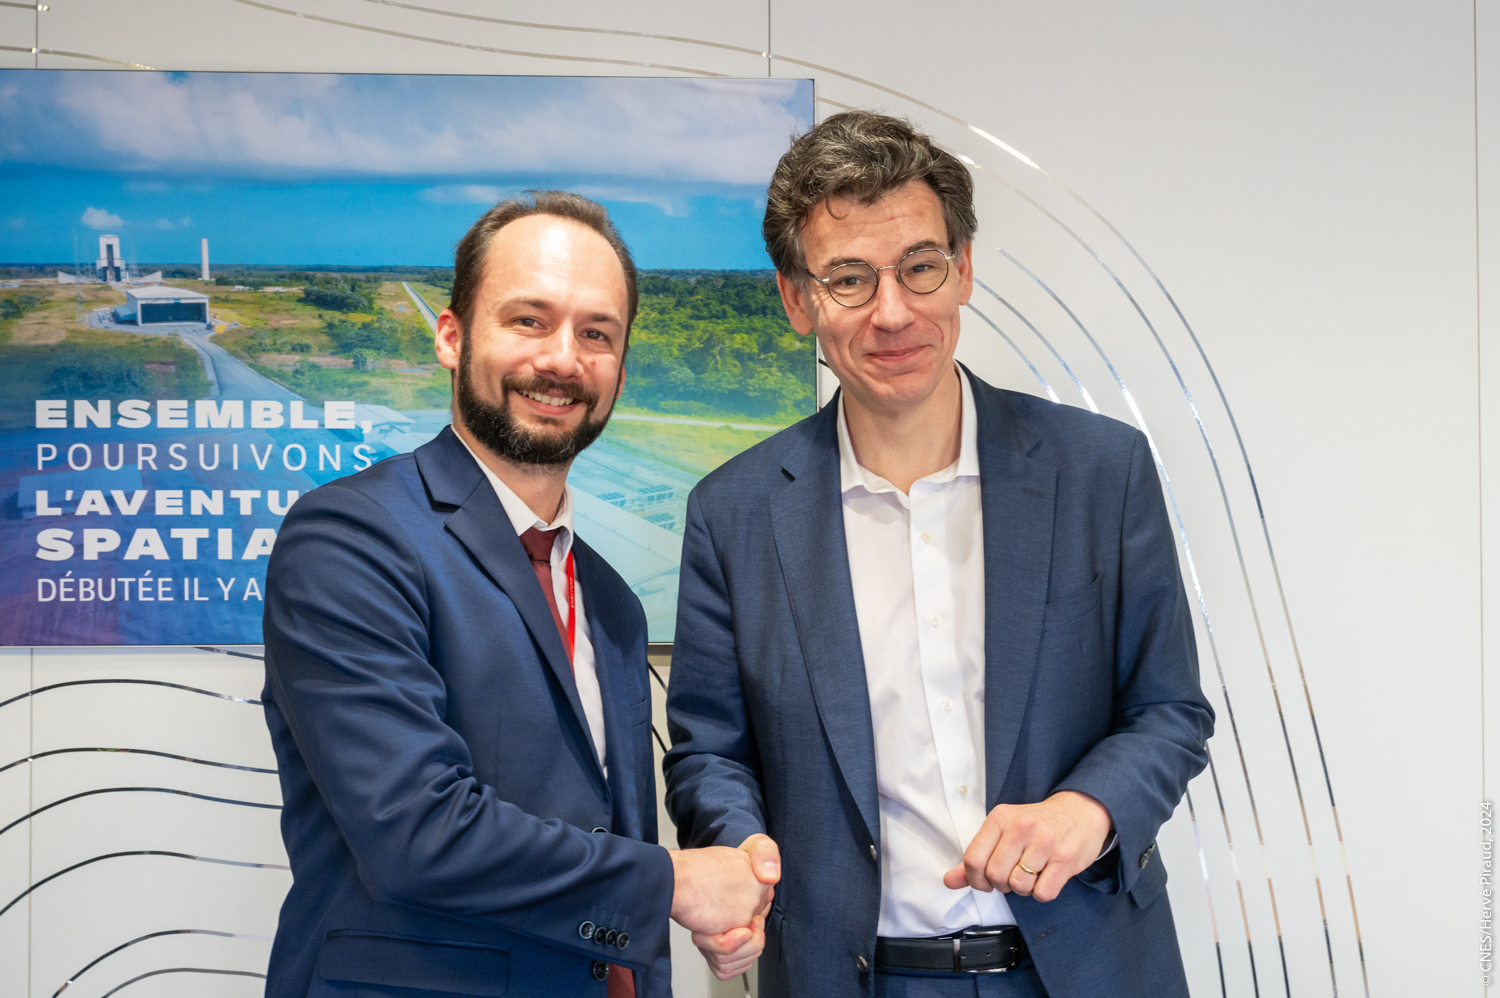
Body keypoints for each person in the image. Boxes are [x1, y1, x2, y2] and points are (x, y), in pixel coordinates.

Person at [662, 112, 1215, 997]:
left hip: (1085, 967)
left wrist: (1090, 809)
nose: (893, 312)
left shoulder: (1100, 472)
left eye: (920, 267)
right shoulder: (734, 513)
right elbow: (710, 752)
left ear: (962, 269)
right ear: (797, 298)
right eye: (849, 278)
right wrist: (742, 850)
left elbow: (1168, 710)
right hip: (854, 977)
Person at [261, 191, 776, 998]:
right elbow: (417, 835)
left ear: (620, 368)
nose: (563, 360)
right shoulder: (350, 538)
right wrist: (673, 886)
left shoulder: (609, 599)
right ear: (452, 336)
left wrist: (666, 930)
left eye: (596, 333)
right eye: (529, 321)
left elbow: (599, 847)